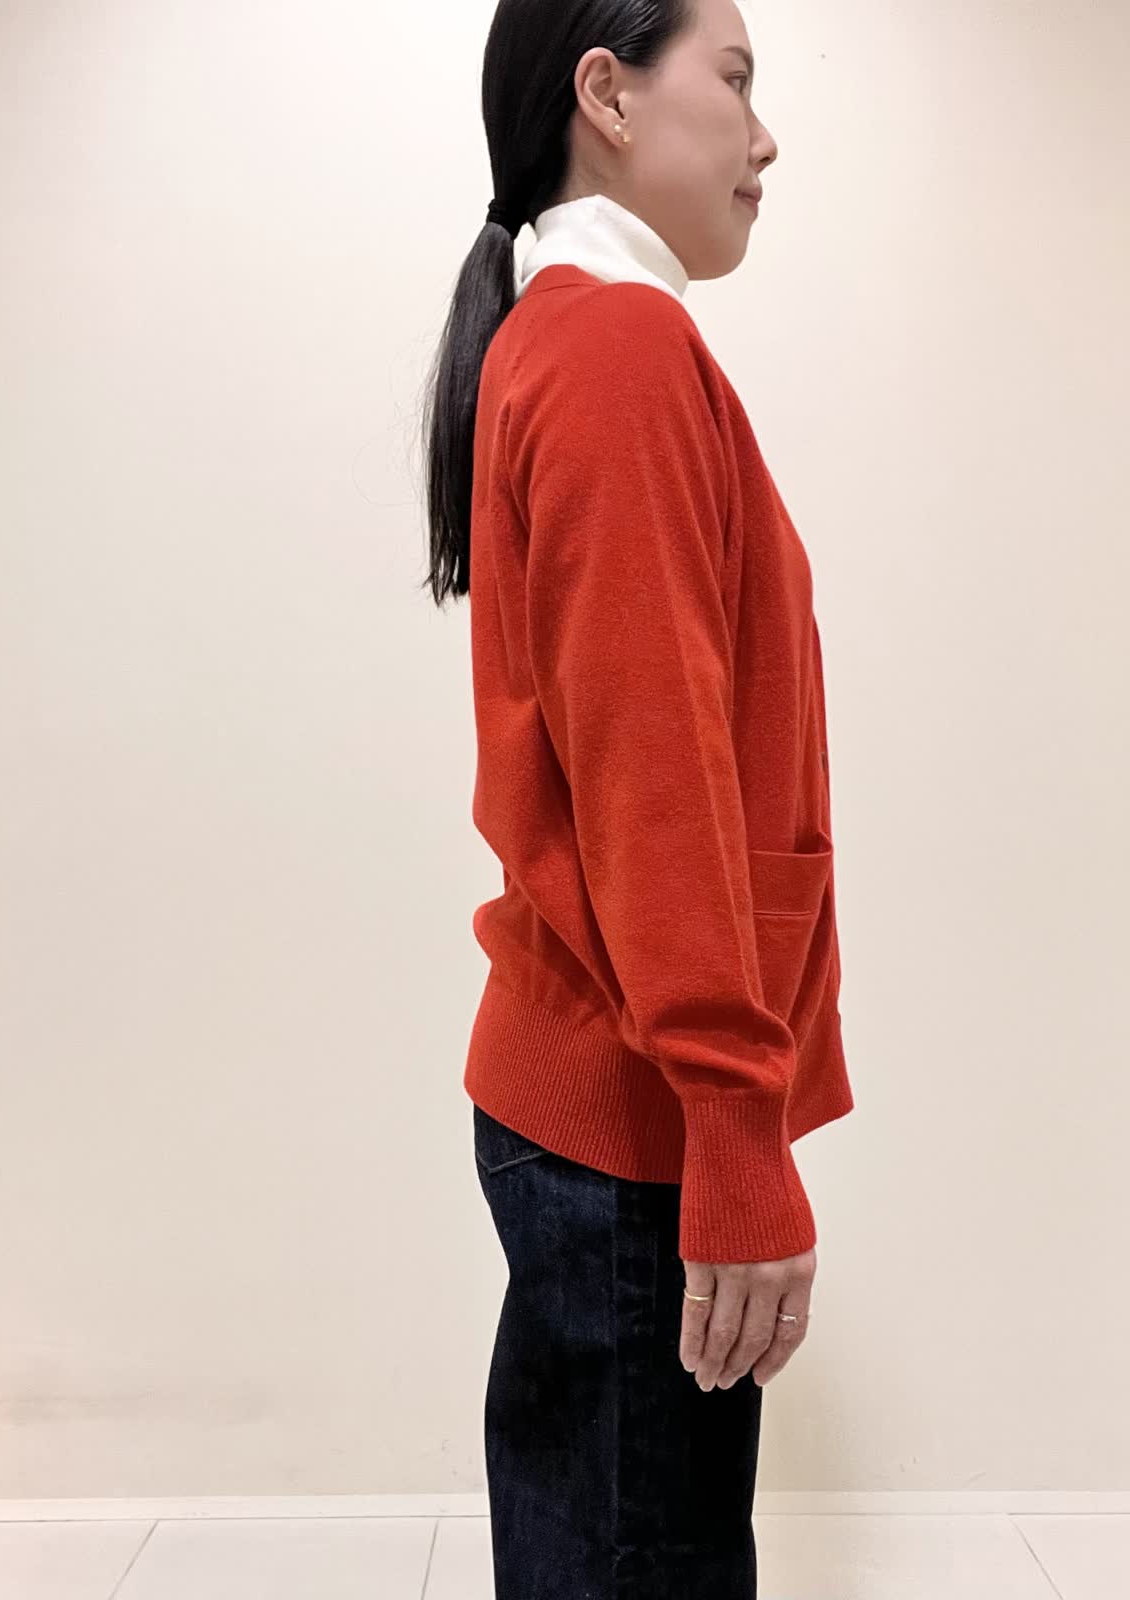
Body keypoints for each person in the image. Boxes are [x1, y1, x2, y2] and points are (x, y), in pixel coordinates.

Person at [418, 0, 856, 1593]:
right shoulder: (613, 348)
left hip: (598, 1094)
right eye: (733, 80)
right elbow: (652, 779)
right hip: (634, 1114)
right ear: (605, 94)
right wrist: (735, 1126)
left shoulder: (577, 336)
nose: (765, 136)